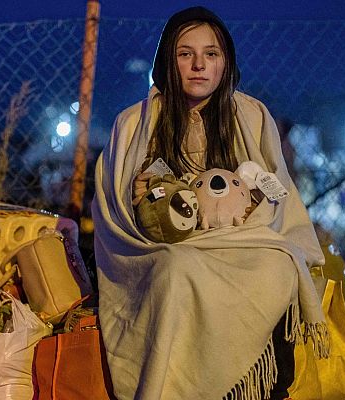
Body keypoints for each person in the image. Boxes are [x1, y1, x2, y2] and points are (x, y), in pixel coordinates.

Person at [92, 7, 328, 400]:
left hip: (243, 239)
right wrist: (146, 201)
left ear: (226, 61)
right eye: (185, 53)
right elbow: (117, 208)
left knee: (276, 264)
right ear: (168, 59)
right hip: (169, 244)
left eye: (211, 54)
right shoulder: (134, 123)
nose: (199, 65)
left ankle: (261, 387)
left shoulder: (251, 115)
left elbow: (276, 194)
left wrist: (248, 213)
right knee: (176, 269)